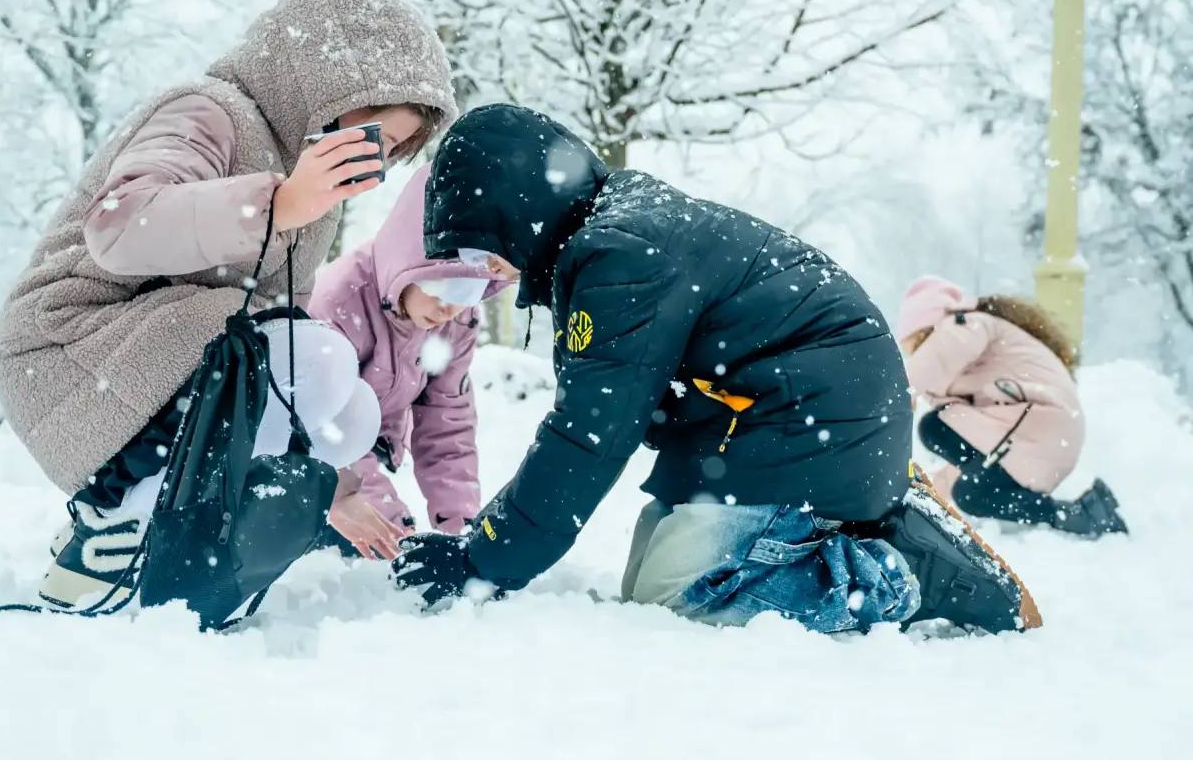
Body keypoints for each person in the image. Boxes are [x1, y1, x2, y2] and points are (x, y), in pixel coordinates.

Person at [392, 104, 1042, 634]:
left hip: (813, 422)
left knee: (680, 594)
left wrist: (486, 557)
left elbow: (590, 434)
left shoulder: (620, 253)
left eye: (481, 246)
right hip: (778, 424)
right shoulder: (606, 237)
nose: (486, 272)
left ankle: (891, 571)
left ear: (515, 211)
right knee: (648, 579)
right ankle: (851, 516)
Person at [0, 0, 458, 610]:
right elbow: (121, 226)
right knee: (308, 358)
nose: (373, 163)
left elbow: (280, 338)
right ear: (325, 84)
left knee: (347, 409)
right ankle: (115, 517)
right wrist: (279, 203)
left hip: (149, 362)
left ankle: (146, 510)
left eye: (393, 151)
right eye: (372, 132)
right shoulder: (209, 109)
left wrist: (343, 488)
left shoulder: (310, 195)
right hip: (66, 348)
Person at [308, 166, 512, 536]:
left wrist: (459, 526)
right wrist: (389, 519)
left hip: (369, 455)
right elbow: (324, 429)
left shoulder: (457, 322)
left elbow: (447, 425)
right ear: (412, 264)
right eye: (445, 291)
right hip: (307, 467)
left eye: (468, 295)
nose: (449, 310)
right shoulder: (340, 301)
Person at [896, 276, 1128, 538]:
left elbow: (934, 362)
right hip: (1041, 438)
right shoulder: (973, 366)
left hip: (1040, 425)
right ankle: (1078, 515)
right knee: (971, 494)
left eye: (916, 345)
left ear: (929, 327)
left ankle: (1077, 515)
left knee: (935, 426)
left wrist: (891, 394)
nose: (916, 355)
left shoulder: (964, 323)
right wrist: (925, 499)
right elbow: (974, 449)